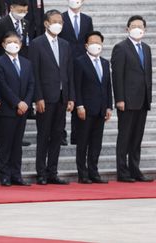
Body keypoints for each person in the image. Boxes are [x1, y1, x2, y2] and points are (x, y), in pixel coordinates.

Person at [29, 9, 75, 185]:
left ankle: (52, 172)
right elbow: (35, 73)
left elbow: (69, 71)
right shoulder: (37, 43)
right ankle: (41, 172)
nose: (58, 24)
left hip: (62, 97)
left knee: (57, 135)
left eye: (61, 22)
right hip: (45, 98)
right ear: (46, 23)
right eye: (54, 21)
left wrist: (71, 97)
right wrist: (38, 97)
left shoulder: (65, 44)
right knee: (44, 135)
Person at [111, 15, 154, 183]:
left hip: (142, 99)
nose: (137, 28)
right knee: (125, 136)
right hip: (127, 100)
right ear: (127, 28)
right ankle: (122, 171)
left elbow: (147, 74)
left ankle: (135, 170)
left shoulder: (147, 48)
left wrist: (148, 96)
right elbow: (117, 75)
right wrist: (119, 98)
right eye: (134, 25)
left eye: (140, 26)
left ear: (145, 29)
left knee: (137, 137)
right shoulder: (121, 48)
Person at [0, 31, 34, 186]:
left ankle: (16, 174)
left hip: (22, 110)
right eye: (9, 41)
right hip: (7, 109)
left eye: (16, 41)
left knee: (17, 144)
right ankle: (4, 174)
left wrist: (25, 103)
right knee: (6, 143)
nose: (13, 44)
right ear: (3, 44)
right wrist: (17, 103)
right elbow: (3, 86)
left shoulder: (26, 62)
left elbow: (31, 84)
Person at [74, 31, 112, 184]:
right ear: (86, 45)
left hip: (101, 109)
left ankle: (93, 172)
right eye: (92, 42)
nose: (96, 45)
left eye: (98, 42)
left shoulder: (105, 62)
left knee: (97, 143)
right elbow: (77, 85)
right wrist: (79, 105)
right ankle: (82, 174)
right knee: (83, 142)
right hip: (85, 109)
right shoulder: (80, 61)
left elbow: (108, 86)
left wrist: (109, 106)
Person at [59, 0, 94, 145]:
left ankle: (77, 135)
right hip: (64, 63)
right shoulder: (60, 18)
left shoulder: (87, 19)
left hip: (81, 64)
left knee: (79, 97)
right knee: (62, 98)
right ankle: (60, 134)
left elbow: (90, 40)